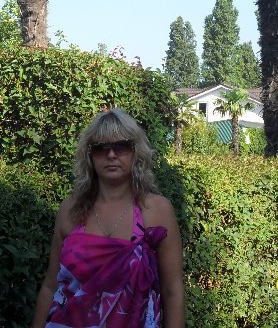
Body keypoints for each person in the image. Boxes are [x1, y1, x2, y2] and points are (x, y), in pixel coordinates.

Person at [32, 108, 185, 328]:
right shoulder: (70, 210)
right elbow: (50, 285)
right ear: (90, 156)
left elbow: (173, 291)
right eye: (101, 148)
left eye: (121, 146)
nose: (111, 155)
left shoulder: (156, 210)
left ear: (135, 152)